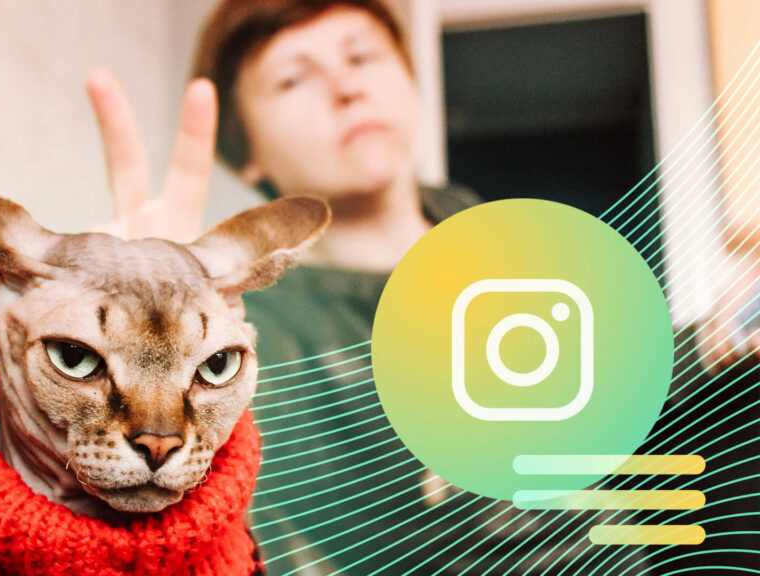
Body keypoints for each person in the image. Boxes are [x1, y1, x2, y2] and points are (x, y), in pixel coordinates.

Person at [84, 1, 649, 573]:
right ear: (243, 148)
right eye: (294, 79)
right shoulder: (248, 335)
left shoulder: (502, 235)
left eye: (362, 56)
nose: (346, 87)